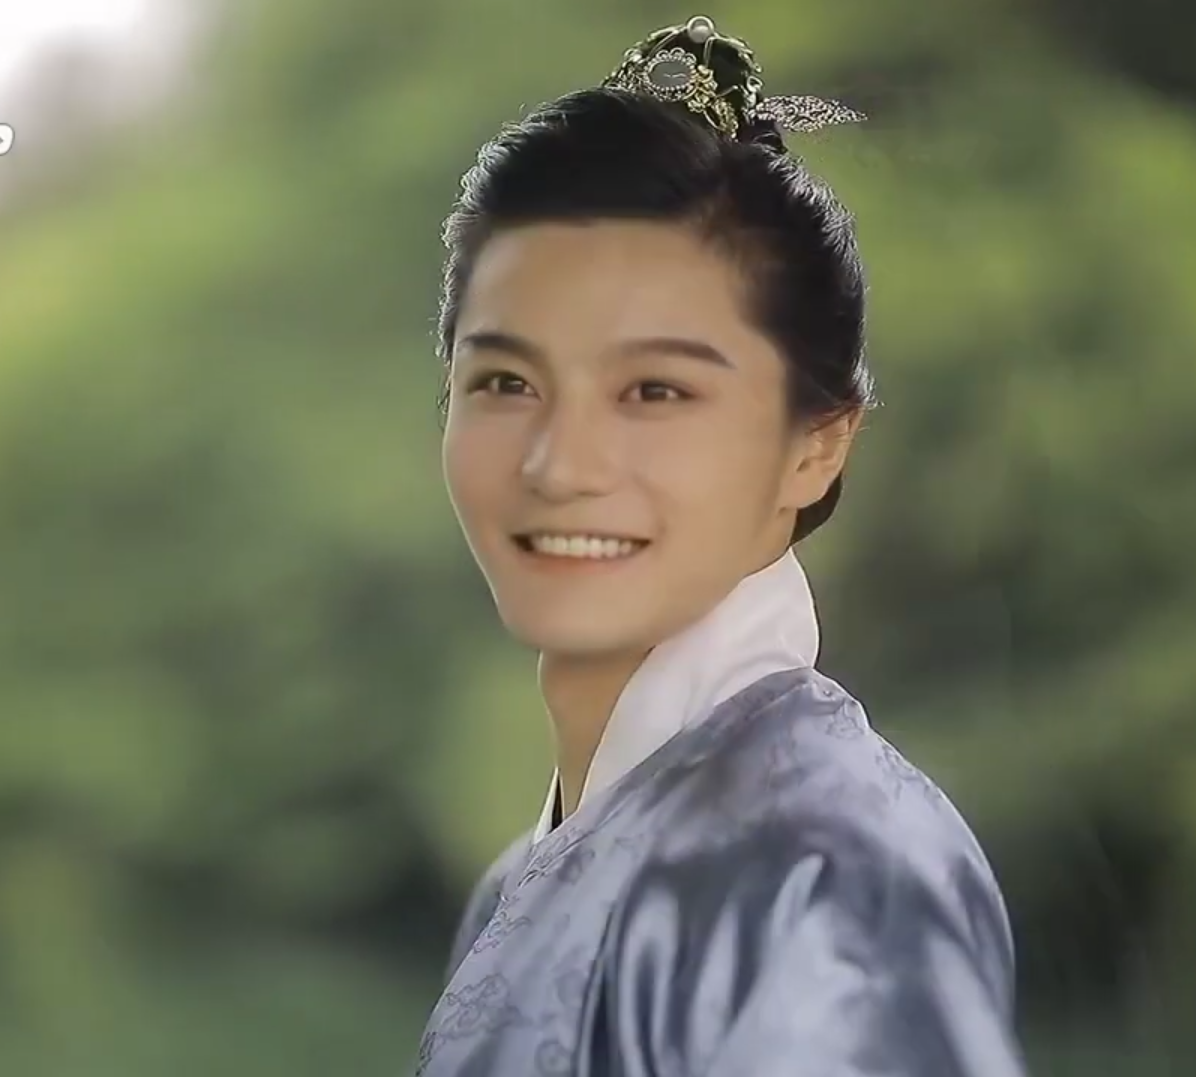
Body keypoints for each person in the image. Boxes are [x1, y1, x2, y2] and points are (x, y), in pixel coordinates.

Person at [417, 15, 1026, 1076]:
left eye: (655, 390)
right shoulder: (520, 883)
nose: (559, 462)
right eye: (506, 381)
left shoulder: (831, 879)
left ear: (814, 446)